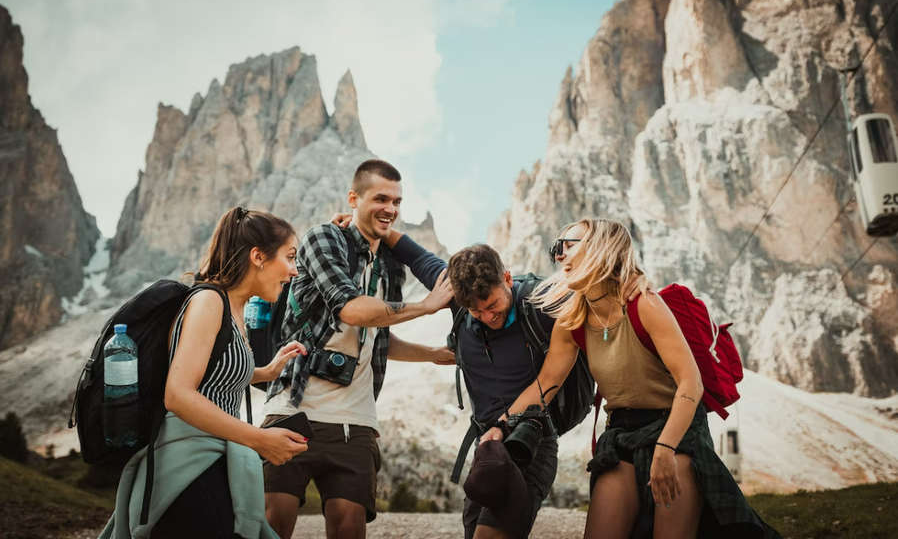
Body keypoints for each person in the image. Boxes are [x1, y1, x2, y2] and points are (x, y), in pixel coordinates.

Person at [504, 218, 781, 539]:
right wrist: (498, 427)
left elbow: (691, 382)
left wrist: (666, 449)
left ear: (600, 249)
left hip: (676, 430)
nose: (559, 257)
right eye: (557, 249)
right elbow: (545, 383)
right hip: (621, 431)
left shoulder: (644, 304)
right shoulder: (572, 321)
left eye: (568, 246)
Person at [376, 230, 643, 539]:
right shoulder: (459, 297)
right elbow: (416, 256)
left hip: (531, 442)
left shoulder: (542, 302)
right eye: (476, 311)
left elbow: (602, 292)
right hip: (488, 447)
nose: (487, 316)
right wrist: (373, 227)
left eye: (493, 304)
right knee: (474, 530)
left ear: (506, 277)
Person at [262, 159, 455, 539]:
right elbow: (351, 309)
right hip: (294, 407)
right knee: (271, 524)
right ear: (353, 198)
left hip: (357, 420)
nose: (391, 208)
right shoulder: (322, 239)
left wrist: (431, 354)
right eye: (380, 198)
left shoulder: (391, 265)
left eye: (397, 201)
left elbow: (379, 335)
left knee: (350, 528)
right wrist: (426, 306)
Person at [101, 206, 311, 539]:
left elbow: (212, 375)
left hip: (214, 454)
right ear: (258, 256)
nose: (295, 270)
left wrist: (267, 371)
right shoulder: (209, 301)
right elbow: (179, 394)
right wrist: (260, 440)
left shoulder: (235, 308)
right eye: (289, 257)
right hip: (188, 461)